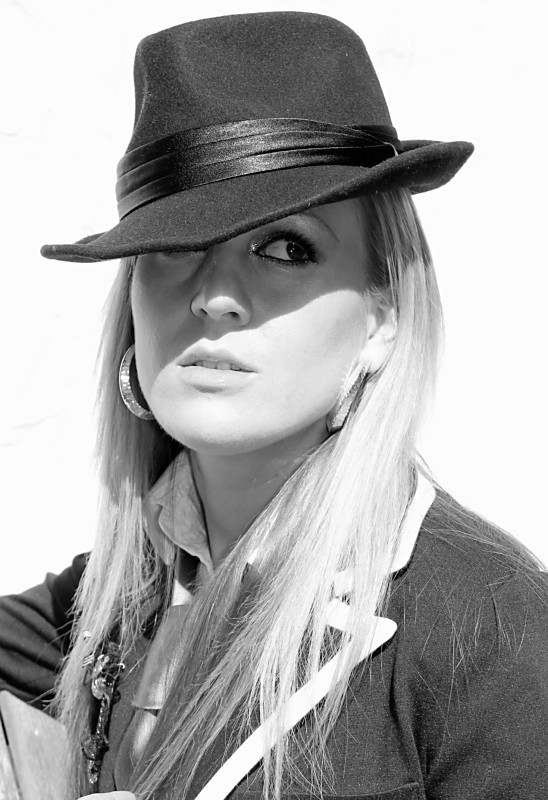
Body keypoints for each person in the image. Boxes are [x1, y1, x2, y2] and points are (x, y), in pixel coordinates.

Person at [1, 11, 547, 800]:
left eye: (286, 247)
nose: (215, 296)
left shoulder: (489, 623)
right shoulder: (115, 594)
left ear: (381, 319)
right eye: (175, 246)